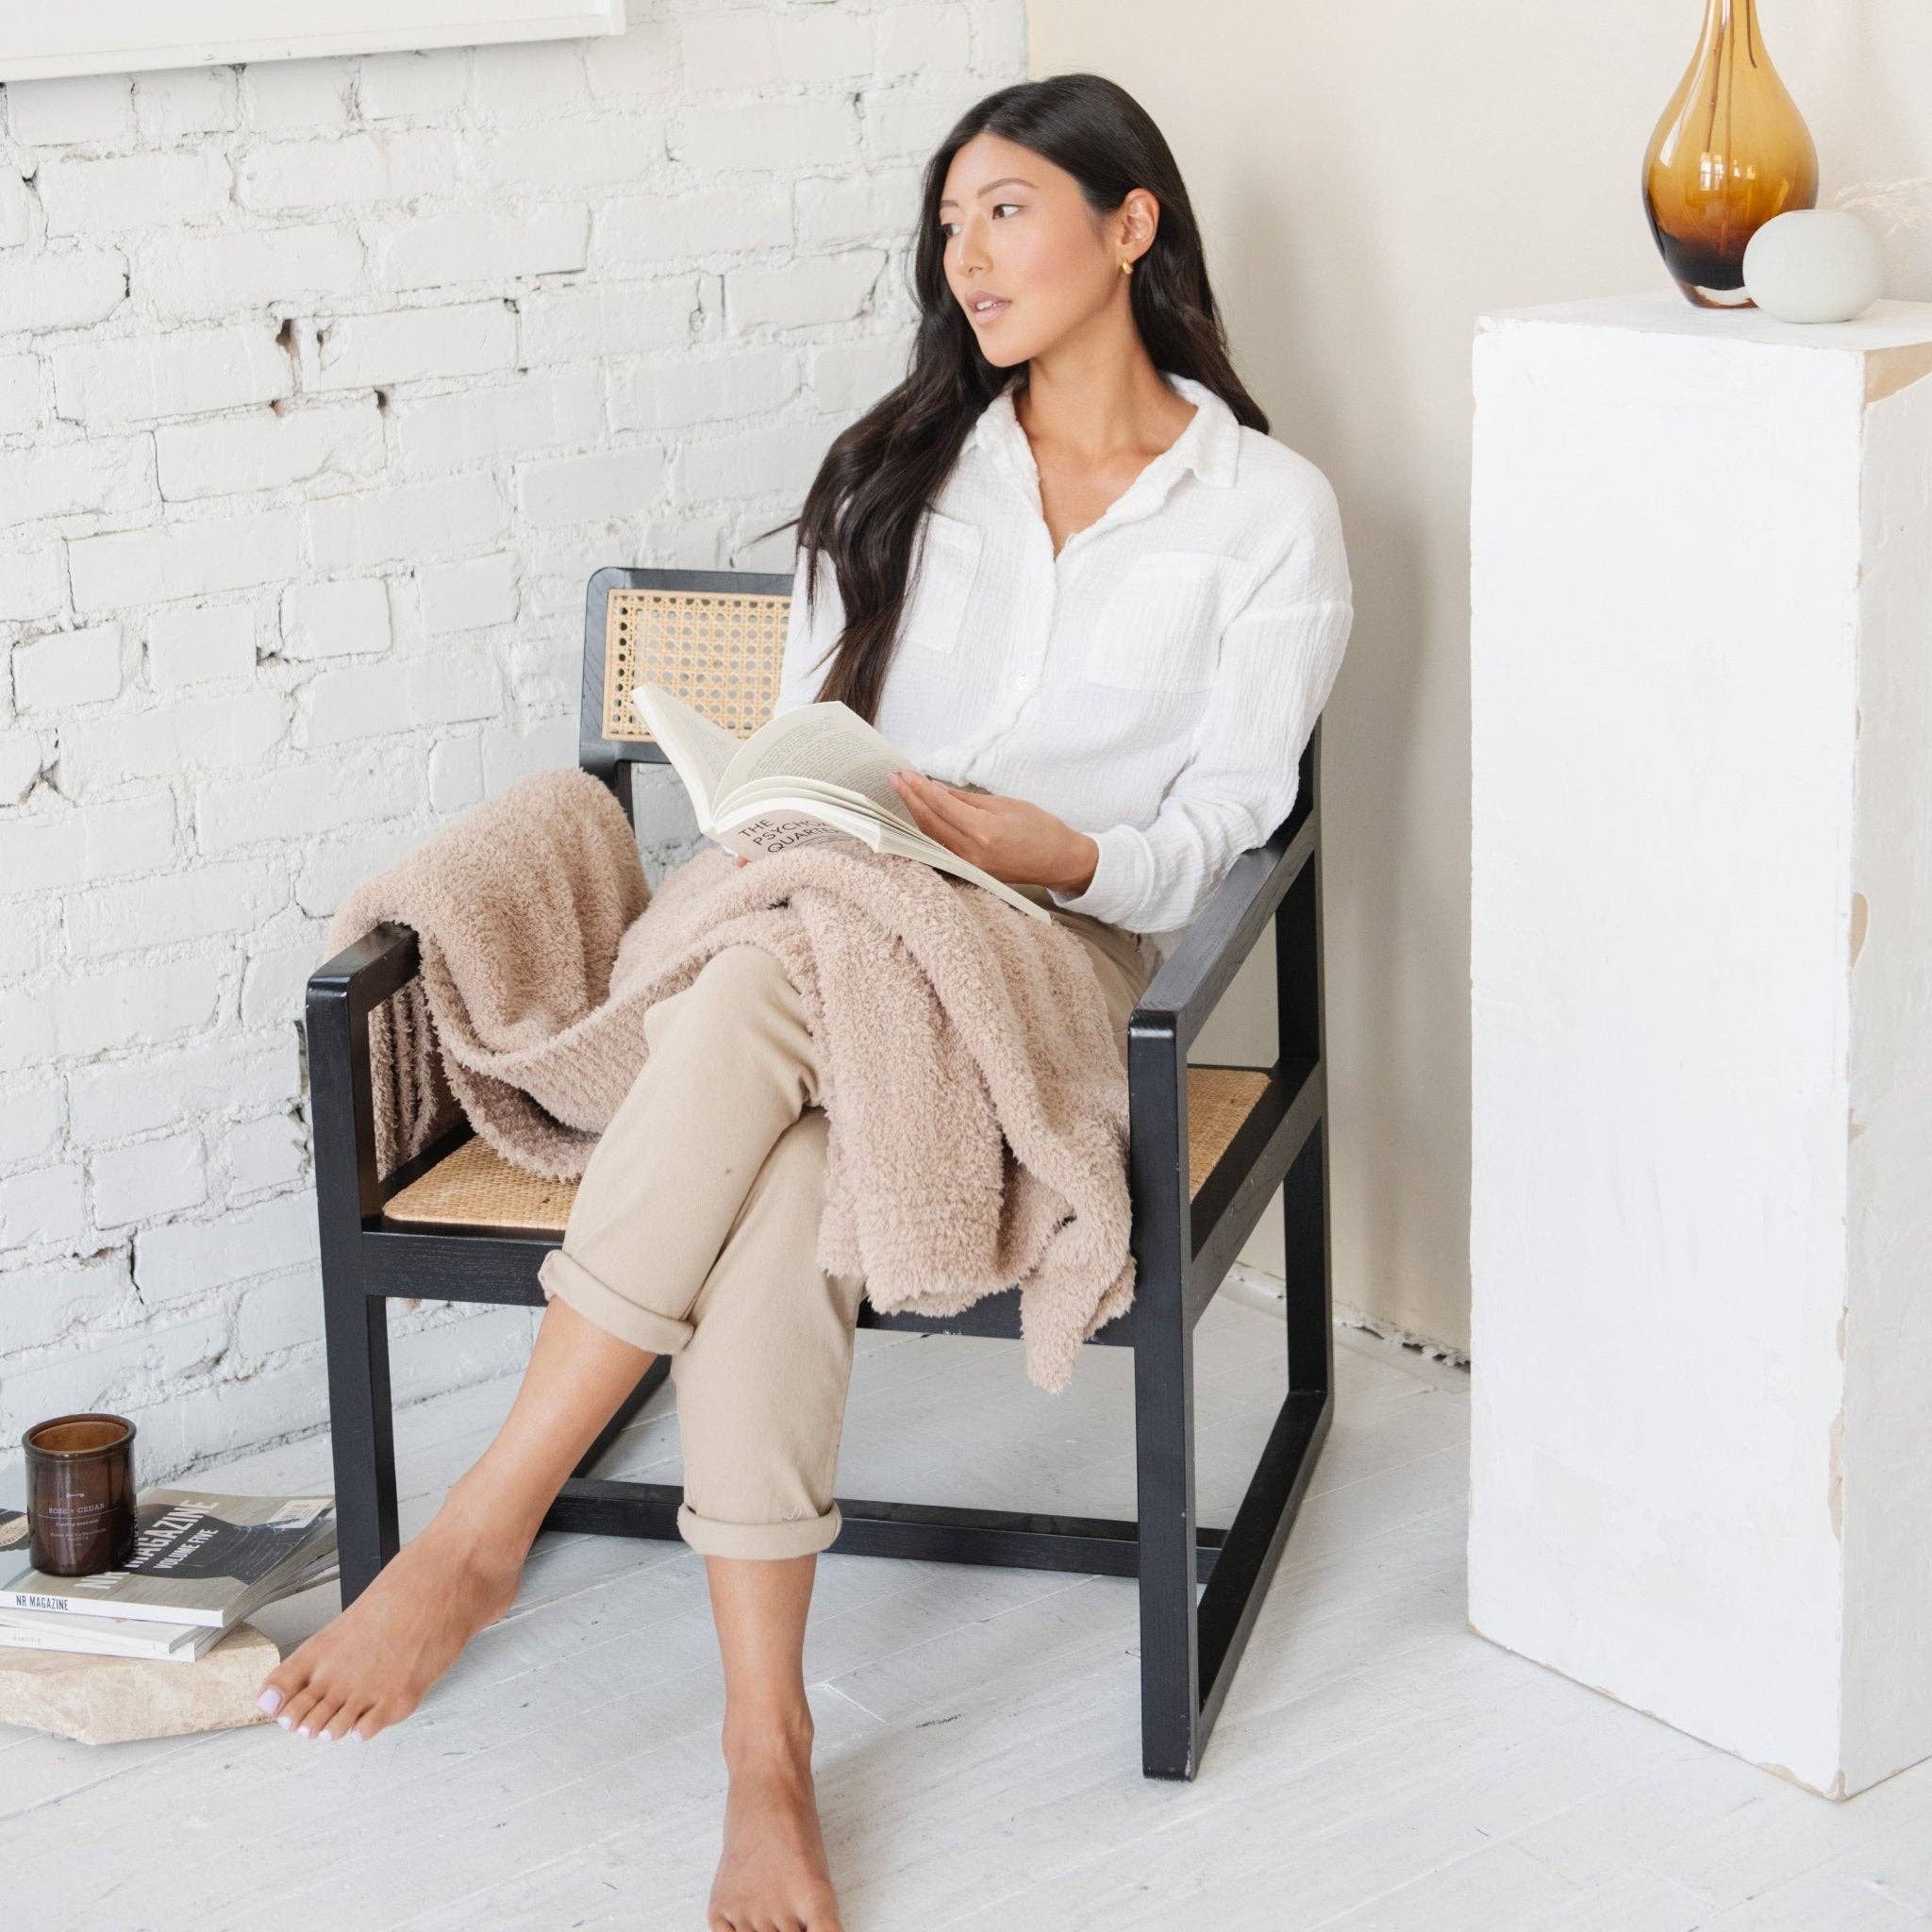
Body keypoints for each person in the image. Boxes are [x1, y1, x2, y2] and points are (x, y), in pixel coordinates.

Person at [252, 71, 1352, 1932]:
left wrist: (1057, 848)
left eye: (1004, 209)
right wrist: (822, 813)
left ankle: (486, 1524)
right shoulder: (894, 471)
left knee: (778, 972)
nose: (965, 254)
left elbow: (1222, 832)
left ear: (1130, 224)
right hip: (823, 914)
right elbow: (787, 763)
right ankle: (764, 1748)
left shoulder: (1267, 513)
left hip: (1047, 958)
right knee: (789, 1157)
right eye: (950, 223)